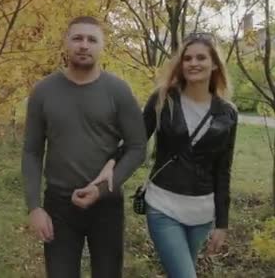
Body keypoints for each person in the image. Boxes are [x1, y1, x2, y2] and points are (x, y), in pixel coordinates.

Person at [91, 32, 238, 278]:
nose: (193, 63)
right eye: (187, 58)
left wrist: (222, 223)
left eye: (201, 57)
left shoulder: (227, 113)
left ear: (214, 64)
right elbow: (135, 141)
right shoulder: (163, 99)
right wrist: (112, 162)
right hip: (163, 205)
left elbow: (223, 170)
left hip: (201, 213)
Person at [21, 16, 147, 278]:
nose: (84, 45)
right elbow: (32, 151)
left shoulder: (118, 91)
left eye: (92, 39)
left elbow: (137, 147)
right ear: (66, 43)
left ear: (101, 46)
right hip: (59, 206)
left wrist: (102, 189)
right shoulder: (43, 91)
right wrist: (34, 207)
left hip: (107, 206)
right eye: (77, 38)